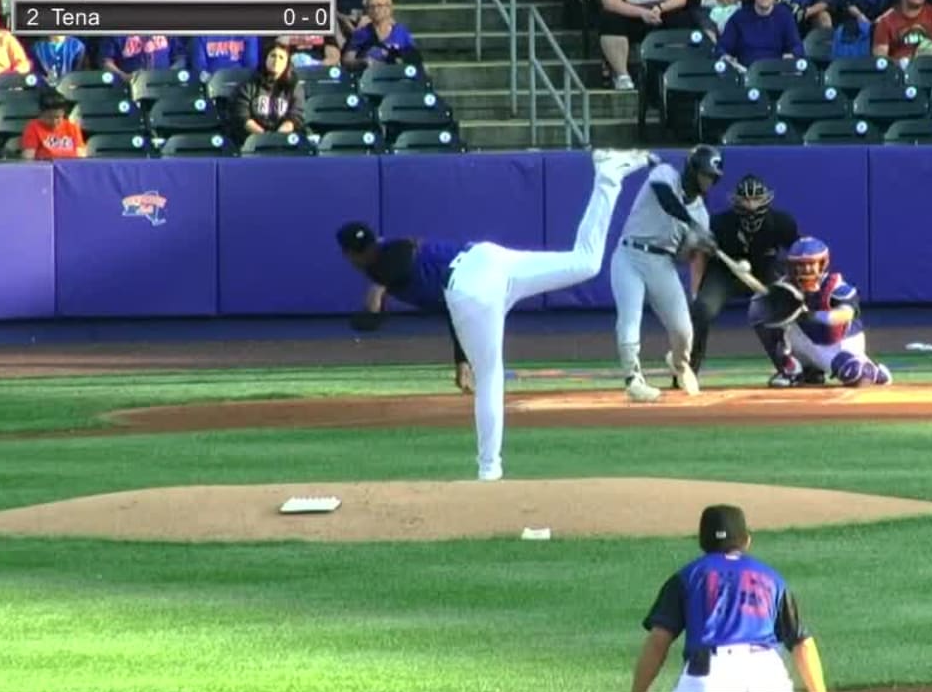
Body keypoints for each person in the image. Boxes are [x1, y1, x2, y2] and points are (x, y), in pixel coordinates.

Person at [338, 149, 653, 483]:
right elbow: (443, 305)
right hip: (486, 261)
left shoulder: (386, 257)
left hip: (473, 285)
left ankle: (489, 471)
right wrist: (461, 359)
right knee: (585, 263)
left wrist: (377, 288)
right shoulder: (383, 260)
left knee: (490, 378)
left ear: (349, 255)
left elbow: (402, 258)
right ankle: (608, 177)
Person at [631, 504, 827, 692]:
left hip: (710, 675)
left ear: (702, 542)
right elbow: (803, 643)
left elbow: (658, 641)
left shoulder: (687, 576)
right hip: (767, 674)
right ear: (746, 541)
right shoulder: (773, 579)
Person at [612, 146, 722, 402]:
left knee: (683, 331)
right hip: (630, 254)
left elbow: (681, 257)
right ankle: (633, 379)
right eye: (705, 174)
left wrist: (697, 245)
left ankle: (679, 364)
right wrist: (692, 225)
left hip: (661, 263)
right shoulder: (665, 174)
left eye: (713, 176)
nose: (709, 181)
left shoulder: (701, 214)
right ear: (692, 170)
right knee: (630, 319)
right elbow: (666, 199)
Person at [685, 175, 800, 381]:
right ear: (736, 201)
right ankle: (688, 370)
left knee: (781, 307)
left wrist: (793, 287)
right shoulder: (719, 224)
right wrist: (695, 291)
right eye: (746, 200)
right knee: (702, 309)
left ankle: (789, 367)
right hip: (724, 273)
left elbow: (799, 253)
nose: (751, 205)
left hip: (764, 271)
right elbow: (699, 255)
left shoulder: (781, 222)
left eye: (756, 200)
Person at [773, 237, 892, 387]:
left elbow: (846, 314)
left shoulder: (835, 287)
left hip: (839, 341)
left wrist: (813, 315)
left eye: (811, 264)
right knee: (767, 319)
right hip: (806, 339)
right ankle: (797, 371)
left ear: (822, 263)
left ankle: (874, 371)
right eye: (800, 265)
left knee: (853, 373)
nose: (806, 269)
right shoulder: (785, 287)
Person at [717, 0, 803, 70]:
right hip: (745, 72)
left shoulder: (785, 16)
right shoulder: (739, 18)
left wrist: (792, 55)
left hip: (776, 72)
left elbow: (797, 47)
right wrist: (726, 57)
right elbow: (722, 47)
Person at [232, 41, 305, 138]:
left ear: (287, 63)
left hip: (284, 140)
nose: (276, 61)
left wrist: (277, 138)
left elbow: (294, 118)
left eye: (281, 57)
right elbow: (243, 117)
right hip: (253, 140)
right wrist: (264, 138)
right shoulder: (248, 85)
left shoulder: (294, 86)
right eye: (273, 56)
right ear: (265, 59)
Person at [19, 88, 85, 160]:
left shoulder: (72, 128)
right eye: (49, 117)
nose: (54, 121)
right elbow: (28, 156)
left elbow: (81, 155)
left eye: (57, 117)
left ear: (63, 113)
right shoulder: (33, 127)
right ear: (41, 113)